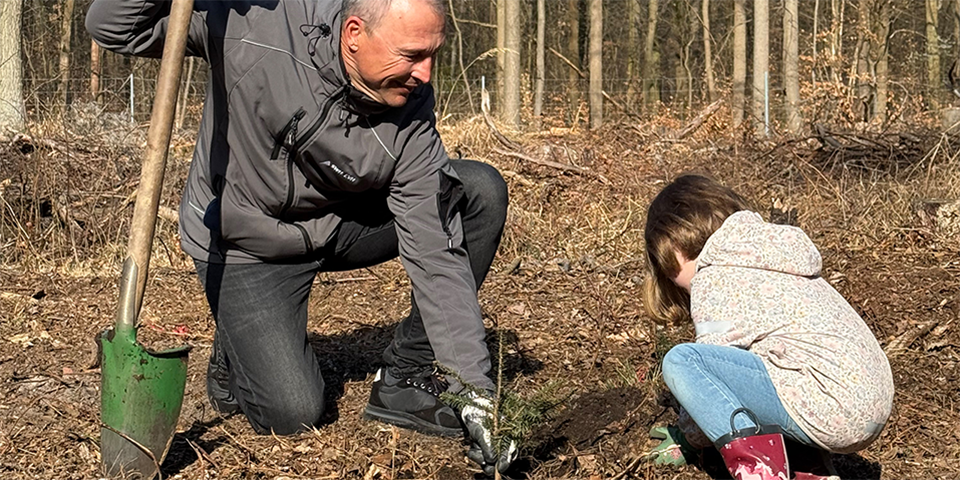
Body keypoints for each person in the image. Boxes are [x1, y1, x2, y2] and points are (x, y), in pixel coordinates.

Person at [86, 0, 515, 473]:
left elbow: (436, 253)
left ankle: (407, 377)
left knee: (476, 192)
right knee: (293, 412)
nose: (426, 74)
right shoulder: (260, 22)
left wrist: (472, 390)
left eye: (433, 54)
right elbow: (113, 27)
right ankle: (233, 353)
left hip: (337, 224)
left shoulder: (411, 112)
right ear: (354, 33)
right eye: (412, 55)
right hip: (244, 244)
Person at [642, 175, 894, 480]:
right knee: (767, 362)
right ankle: (809, 470)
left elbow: (710, 373)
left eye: (667, 270)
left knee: (683, 360)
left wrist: (689, 437)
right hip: (871, 400)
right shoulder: (771, 254)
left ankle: (761, 473)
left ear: (674, 246)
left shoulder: (713, 279)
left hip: (828, 405)